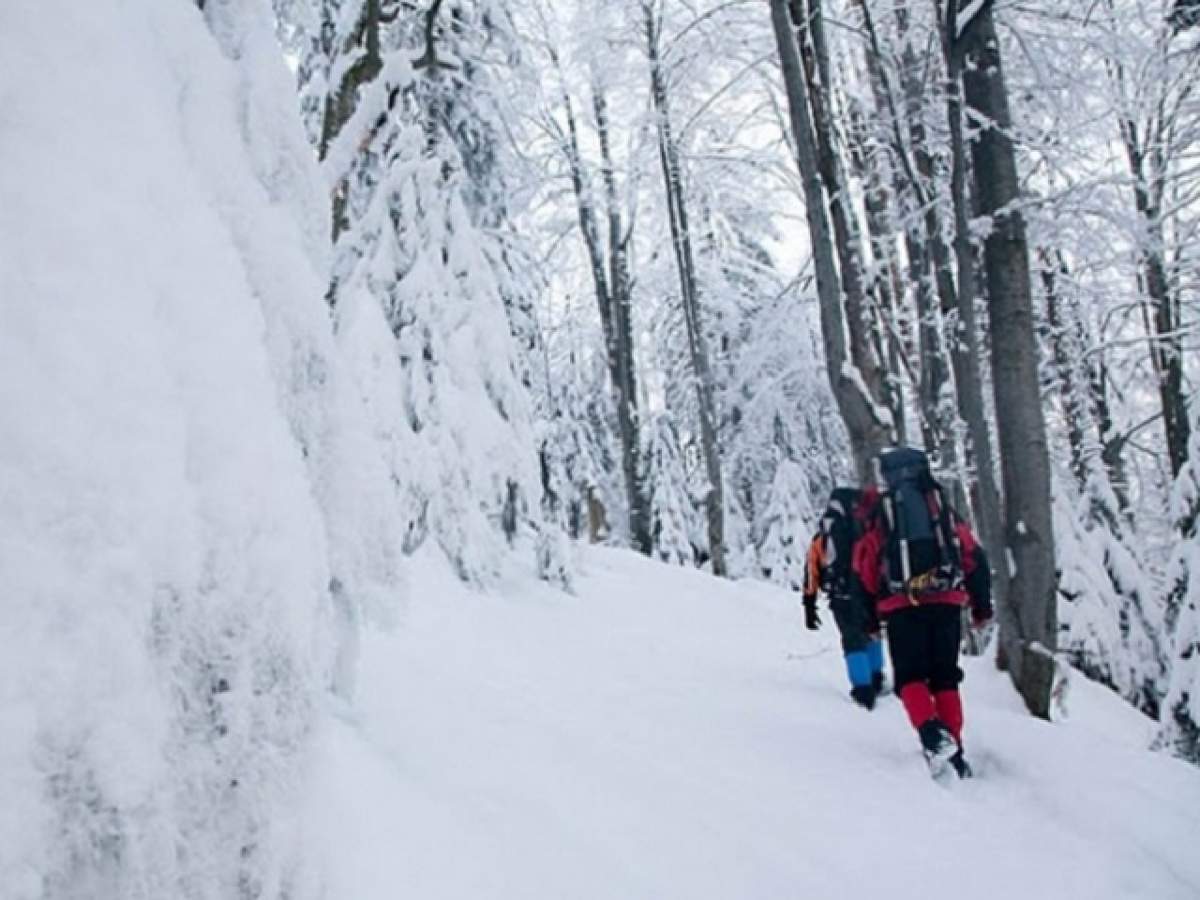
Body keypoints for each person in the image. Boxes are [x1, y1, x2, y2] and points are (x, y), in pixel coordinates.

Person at [851, 448, 992, 777]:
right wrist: (980, 606)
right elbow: (973, 557)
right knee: (945, 676)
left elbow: (864, 569)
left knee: (911, 678)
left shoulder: (881, 515)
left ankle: (931, 734)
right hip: (946, 601)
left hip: (902, 607)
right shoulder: (941, 510)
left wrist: (868, 621)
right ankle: (955, 751)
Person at [802, 487, 887, 710]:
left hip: (841, 595)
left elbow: (812, 566)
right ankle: (877, 676)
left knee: (852, 639)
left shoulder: (825, 533)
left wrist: (809, 604)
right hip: (869, 592)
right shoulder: (865, 528)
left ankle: (862, 688)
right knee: (871, 632)